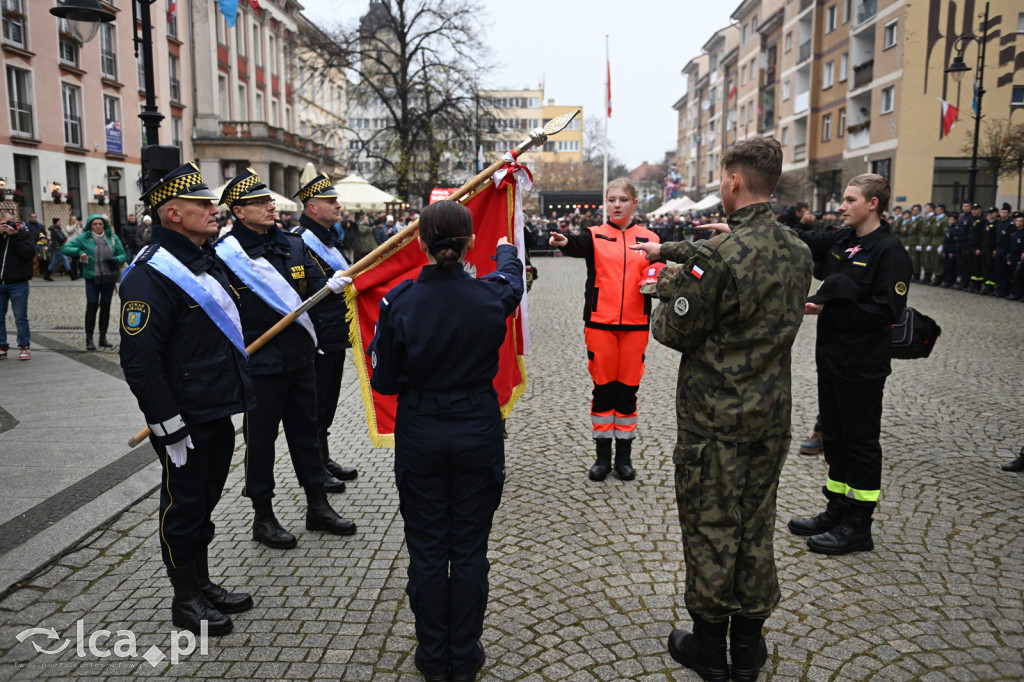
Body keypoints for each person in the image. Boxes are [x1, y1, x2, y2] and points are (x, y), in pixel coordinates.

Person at [632, 136, 812, 682]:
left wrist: (665, 285)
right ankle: (750, 648)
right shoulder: (799, 251)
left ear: (734, 180)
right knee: (756, 525)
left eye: (721, 175)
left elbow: (672, 331)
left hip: (715, 420)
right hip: (770, 416)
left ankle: (710, 648)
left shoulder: (719, 258)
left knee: (713, 528)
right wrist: (683, 260)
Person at [368, 200, 524, 682]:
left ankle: (434, 656)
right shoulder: (489, 294)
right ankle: (466, 653)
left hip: (422, 431)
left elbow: (385, 383)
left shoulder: (401, 299)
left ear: (420, 244)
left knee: (430, 548)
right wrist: (505, 252)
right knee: (471, 548)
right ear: (470, 244)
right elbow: (513, 281)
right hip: (477, 427)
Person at [119, 162, 256, 636]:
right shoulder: (150, 274)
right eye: (202, 204)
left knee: (204, 503)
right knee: (183, 506)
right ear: (172, 213)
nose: (213, 209)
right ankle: (185, 601)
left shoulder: (203, 257)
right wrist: (167, 424)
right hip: (184, 417)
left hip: (214, 406)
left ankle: (201, 582)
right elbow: (139, 360)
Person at [216, 167, 355, 550]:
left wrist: (329, 287)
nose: (270, 205)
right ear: (238, 212)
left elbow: (312, 286)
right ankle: (263, 516)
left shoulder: (293, 245)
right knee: (261, 443)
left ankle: (317, 506)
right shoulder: (226, 256)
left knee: (306, 434)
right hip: (260, 364)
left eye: (269, 199)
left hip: (299, 358)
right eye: (259, 202)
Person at [788, 174, 912, 555]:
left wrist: (830, 308)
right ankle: (837, 508)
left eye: (849, 200)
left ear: (873, 203)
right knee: (836, 439)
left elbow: (886, 310)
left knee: (860, 443)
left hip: (862, 365)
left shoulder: (889, 251)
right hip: (832, 358)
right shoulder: (844, 240)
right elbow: (805, 244)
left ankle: (859, 525)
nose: (841, 206)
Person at [548, 178, 661, 481]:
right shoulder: (595, 235)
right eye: (611, 199)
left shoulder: (650, 238)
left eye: (623, 199)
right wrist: (564, 242)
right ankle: (601, 458)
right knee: (603, 390)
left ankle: (623, 458)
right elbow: (576, 244)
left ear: (634, 203)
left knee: (627, 392)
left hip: (636, 326)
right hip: (599, 324)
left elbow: (663, 270)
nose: (616, 205)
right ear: (605, 203)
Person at [290, 172, 360, 484]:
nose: (338, 205)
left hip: (334, 335)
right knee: (313, 406)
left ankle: (324, 457)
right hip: (314, 337)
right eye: (330, 201)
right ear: (311, 207)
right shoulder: (298, 240)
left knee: (328, 402)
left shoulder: (329, 239)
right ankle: (315, 467)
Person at [62, 214, 127, 350]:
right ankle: (89, 339)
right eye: (95, 224)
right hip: (92, 278)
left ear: (105, 225)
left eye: (100, 224)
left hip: (109, 278)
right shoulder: (84, 238)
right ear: (90, 226)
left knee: (106, 307)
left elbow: (123, 255)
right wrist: (79, 252)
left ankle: (103, 337)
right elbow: (65, 248)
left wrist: (115, 260)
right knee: (91, 307)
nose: (98, 226)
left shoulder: (112, 238)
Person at [0, 211, 35, 360]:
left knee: (20, 317)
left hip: (18, 283)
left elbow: (28, 253)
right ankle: (2, 346)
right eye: (3, 224)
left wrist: (14, 237)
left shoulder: (24, 234)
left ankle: (24, 346)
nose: (6, 227)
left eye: (9, 223)